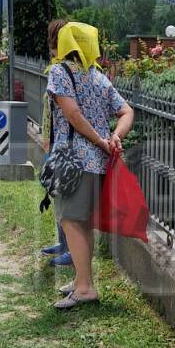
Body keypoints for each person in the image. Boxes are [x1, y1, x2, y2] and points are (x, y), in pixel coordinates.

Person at [46, 21, 134, 310]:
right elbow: (126, 111)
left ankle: (84, 287)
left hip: (72, 159)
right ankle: (81, 278)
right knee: (82, 222)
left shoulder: (60, 72)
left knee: (71, 220)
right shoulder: (98, 77)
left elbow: (71, 113)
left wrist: (99, 140)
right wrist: (114, 137)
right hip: (95, 162)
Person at [40, 18, 72, 268]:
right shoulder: (55, 68)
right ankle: (63, 242)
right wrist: (45, 135)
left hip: (64, 141)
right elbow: (47, 108)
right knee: (55, 191)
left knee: (65, 197)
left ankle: (71, 248)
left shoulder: (66, 71)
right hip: (54, 139)